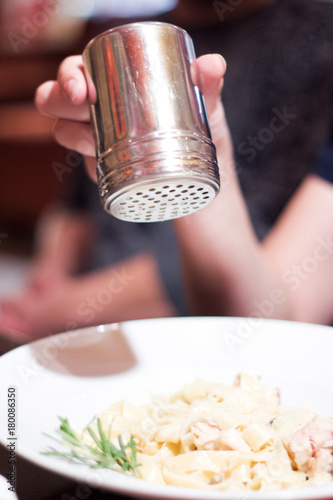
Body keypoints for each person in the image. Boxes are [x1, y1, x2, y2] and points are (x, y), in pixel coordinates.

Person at [1, 0, 333, 339]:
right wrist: (49, 277)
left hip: (190, 335)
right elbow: (77, 208)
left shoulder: (320, 37)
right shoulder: (127, 35)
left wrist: (63, 311)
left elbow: (274, 325)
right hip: (88, 330)